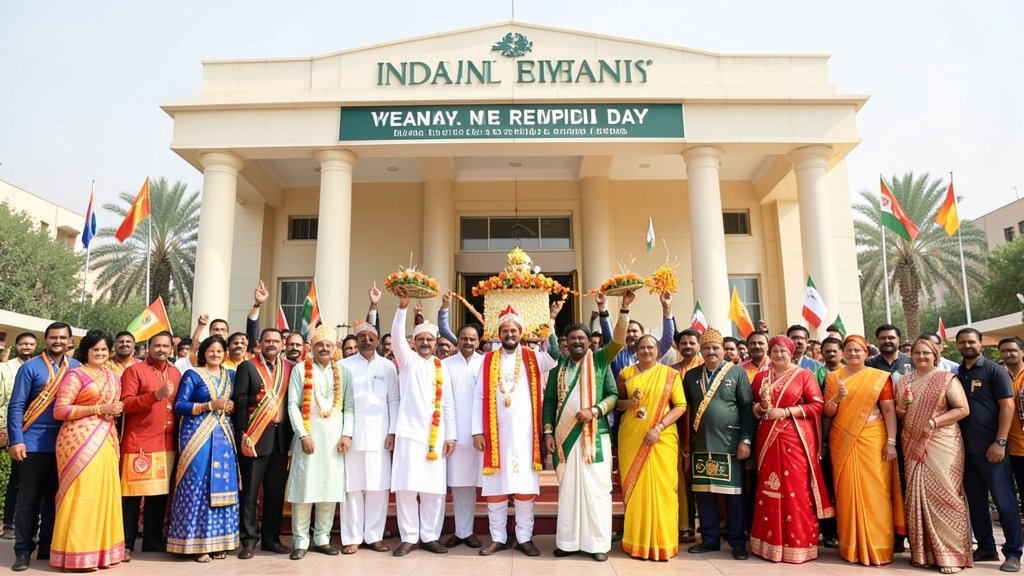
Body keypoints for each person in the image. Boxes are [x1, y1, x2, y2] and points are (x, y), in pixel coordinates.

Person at [542, 293, 627, 562]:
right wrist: (547, 432)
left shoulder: (600, 362)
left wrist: (595, 411)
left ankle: (597, 544)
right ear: (565, 343)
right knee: (568, 491)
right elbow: (549, 404)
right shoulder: (558, 370)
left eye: (582, 338)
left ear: (589, 341)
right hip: (565, 439)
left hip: (595, 438)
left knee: (597, 491)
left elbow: (613, 394)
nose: (577, 342)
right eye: (572, 338)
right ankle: (567, 542)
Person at [473, 303, 560, 557]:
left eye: (513, 331)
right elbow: (479, 395)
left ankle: (524, 538)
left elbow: (554, 354)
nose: (509, 335)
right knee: (496, 489)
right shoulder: (488, 359)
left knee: (524, 489)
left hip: (525, 436)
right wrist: (477, 431)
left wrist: (551, 321)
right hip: (495, 434)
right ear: (498, 334)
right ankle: (498, 538)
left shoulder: (533, 356)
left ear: (520, 332)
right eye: (505, 331)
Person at [750, 335, 833, 563]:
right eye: (774, 350)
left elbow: (817, 405)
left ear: (791, 353)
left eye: (783, 351)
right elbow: (752, 406)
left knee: (795, 488)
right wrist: (759, 408)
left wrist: (786, 412)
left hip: (795, 439)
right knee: (769, 487)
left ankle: (799, 544)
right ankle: (768, 544)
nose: (778, 355)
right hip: (767, 437)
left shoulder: (804, 375)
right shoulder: (760, 378)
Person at [824, 335, 904, 566]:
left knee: (877, 491)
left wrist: (891, 442)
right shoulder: (833, 377)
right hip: (843, 439)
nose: (853, 354)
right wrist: (838, 397)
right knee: (847, 492)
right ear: (842, 353)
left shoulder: (879, 377)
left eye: (857, 350)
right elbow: (828, 412)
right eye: (848, 350)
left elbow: (889, 411)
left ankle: (879, 547)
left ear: (866, 353)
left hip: (874, 437)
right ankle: (850, 547)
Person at [49, 330, 126, 570]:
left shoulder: (114, 377)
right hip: (78, 441)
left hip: (107, 439)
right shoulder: (75, 375)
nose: (101, 354)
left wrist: (115, 409)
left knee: (105, 494)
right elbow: (60, 410)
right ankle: (77, 553)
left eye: (104, 350)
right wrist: (99, 408)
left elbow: (113, 408)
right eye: (96, 350)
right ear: (87, 351)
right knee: (82, 495)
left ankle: (103, 553)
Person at [894, 338, 972, 574]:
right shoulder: (904, 380)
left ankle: (951, 556)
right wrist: (903, 404)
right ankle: (923, 553)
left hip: (943, 442)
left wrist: (934, 421)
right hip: (912, 442)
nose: (921, 356)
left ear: (935, 355)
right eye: (916, 353)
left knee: (946, 494)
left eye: (926, 353)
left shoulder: (946, 378)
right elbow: (899, 413)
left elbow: (962, 409)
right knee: (917, 496)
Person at [7, 322, 79, 572]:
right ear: (45, 340)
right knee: (28, 500)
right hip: (33, 443)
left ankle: (48, 547)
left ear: (70, 341)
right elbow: (16, 406)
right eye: (52, 337)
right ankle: (23, 550)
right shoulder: (30, 367)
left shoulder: (77, 368)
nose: (57, 341)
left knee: (55, 499)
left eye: (62, 337)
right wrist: (17, 439)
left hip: (66, 445)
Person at [390, 287, 457, 557]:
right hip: (408, 434)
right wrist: (403, 306)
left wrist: (450, 436)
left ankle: (430, 536)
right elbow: (396, 337)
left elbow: (449, 404)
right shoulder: (407, 361)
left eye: (430, 339)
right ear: (414, 342)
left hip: (436, 436)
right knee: (406, 488)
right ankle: (409, 537)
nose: (427, 343)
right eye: (422, 340)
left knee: (433, 490)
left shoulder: (443, 367)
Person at [166, 335, 240, 562]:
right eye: (211, 351)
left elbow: (236, 403)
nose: (215, 355)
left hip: (224, 438)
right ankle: (197, 544)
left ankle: (220, 542)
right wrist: (209, 405)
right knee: (197, 484)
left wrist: (232, 405)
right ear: (203, 353)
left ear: (224, 353)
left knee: (222, 485)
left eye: (219, 351)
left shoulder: (231, 375)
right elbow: (179, 405)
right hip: (197, 437)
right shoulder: (193, 374)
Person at [955, 328, 1022, 572]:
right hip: (967, 450)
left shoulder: (994, 370)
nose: (967, 345)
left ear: (981, 344)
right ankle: (986, 547)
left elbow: (1007, 407)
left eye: (971, 341)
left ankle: (1013, 552)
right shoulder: (957, 372)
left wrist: (1000, 441)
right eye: (962, 342)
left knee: (1004, 502)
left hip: (992, 449)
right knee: (976, 501)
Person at [683, 328, 753, 561]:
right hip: (701, 443)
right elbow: (686, 409)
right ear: (700, 351)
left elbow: (746, 408)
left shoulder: (737, 373)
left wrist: (745, 440)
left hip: (730, 444)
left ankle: (737, 541)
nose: (711, 352)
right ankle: (710, 540)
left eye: (715, 347)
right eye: (706, 348)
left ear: (723, 350)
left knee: (734, 495)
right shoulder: (691, 375)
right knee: (704, 494)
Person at [615, 334, 686, 560]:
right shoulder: (625, 374)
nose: (647, 351)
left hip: (661, 438)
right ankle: (635, 541)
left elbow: (681, 406)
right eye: (642, 347)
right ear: (635, 350)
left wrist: (659, 428)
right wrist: (631, 403)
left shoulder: (670, 375)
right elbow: (617, 403)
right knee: (635, 491)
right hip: (632, 438)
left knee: (663, 488)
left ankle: (663, 543)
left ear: (658, 350)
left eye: (651, 347)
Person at [286, 324, 353, 560]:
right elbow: (293, 404)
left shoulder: (343, 372)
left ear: (335, 348)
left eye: (328, 345)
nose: (324, 348)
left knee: (329, 488)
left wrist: (347, 434)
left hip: (334, 438)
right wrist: (302, 434)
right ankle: (301, 541)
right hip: (309, 435)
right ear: (311, 347)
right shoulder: (299, 370)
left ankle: (322, 538)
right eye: (319, 344)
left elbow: (349, 408)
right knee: (305, 488)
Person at [339, 295, 400, 554]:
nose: (366, 340)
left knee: (377, 487)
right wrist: (343, 433)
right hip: (350, 437)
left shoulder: (388, 367)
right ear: (355, 340)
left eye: (370, 337)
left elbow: (394, 400)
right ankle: (351, 537)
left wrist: (392, 431)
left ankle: (374, 535)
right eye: (361, 337)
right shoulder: (342, 366)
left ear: (377, 341)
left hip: (379, 436)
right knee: (352, 488)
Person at [233, 328, 294, 559]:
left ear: (282, 344)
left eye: (276, 341)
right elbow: (238, 401)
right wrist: (244, 435)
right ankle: (248, 541)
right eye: (267, 340)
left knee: (275, 492)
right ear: (259, 343)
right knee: (249, 492)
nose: (272, 344)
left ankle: (271, 539)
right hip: (255, 437)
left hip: (280, 439)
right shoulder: (247, 367)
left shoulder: (289, 368)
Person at [120, 331, 181, 558]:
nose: (161, 350)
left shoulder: (176, 373)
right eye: (157, 346)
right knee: (132, 496)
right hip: (140, 442)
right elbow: (125, 404)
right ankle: (126, 543)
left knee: (159, 494)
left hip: (167, 442)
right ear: (148, 347)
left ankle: (152, 540)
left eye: (165, 346)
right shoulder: (134, 371)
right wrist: (155, 395)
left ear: (171, 349)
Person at [441, 319, 485, 550]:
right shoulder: (445, 364)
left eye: (472, 338)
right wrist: (450, 434)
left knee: (482, 484)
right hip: (454, 433)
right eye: (464, 338)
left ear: (479, 341)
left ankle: (492, 532)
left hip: (481, 434)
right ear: (457, 340)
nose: (468, 341)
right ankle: (462, 532)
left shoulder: (487, 362)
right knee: (460, 485)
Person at [0, 332, 36, 540]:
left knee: (34, 480)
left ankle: (32, 523)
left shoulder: (43, 367)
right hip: (12, 428)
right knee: (15, 479)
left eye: (31, 344)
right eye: (23, 344)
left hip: (35, 430)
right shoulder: (5, 369)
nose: (27, 347)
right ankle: (8, 524)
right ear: (16, 346)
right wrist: (4, 428)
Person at [1004, 338, 1024, 504]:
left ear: (1022, 352)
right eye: (1004, 351)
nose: (1008, 354)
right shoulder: (999, 375)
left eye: (1012, 350)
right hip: (1009, 448)